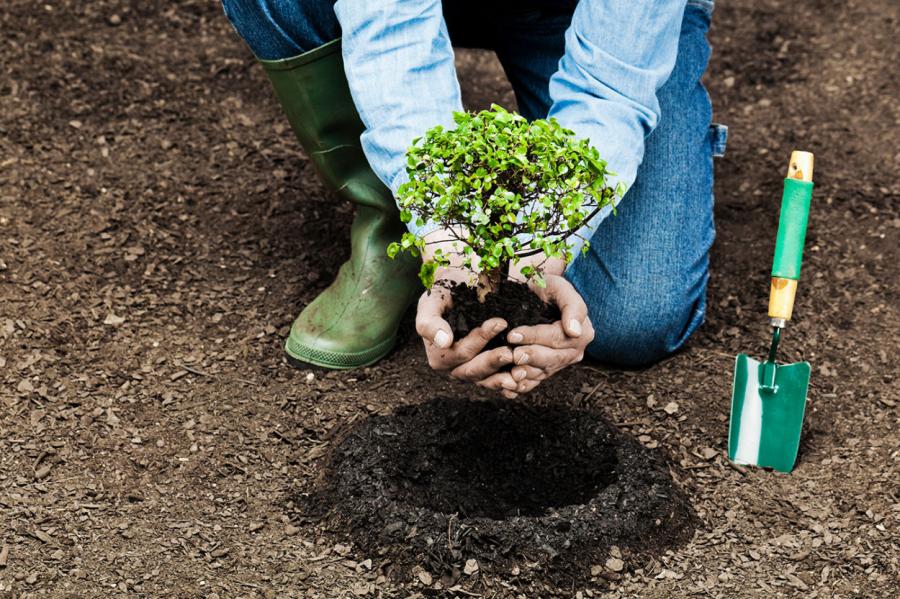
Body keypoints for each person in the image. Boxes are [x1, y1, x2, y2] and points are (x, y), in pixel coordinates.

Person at [221, 0, 726, 398]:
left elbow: (609, 87)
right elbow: (392, 31)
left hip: (584, 18)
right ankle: (393, 222)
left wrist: (545, 247)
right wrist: (445, 234)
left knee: (630, 320)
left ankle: (495, 210)